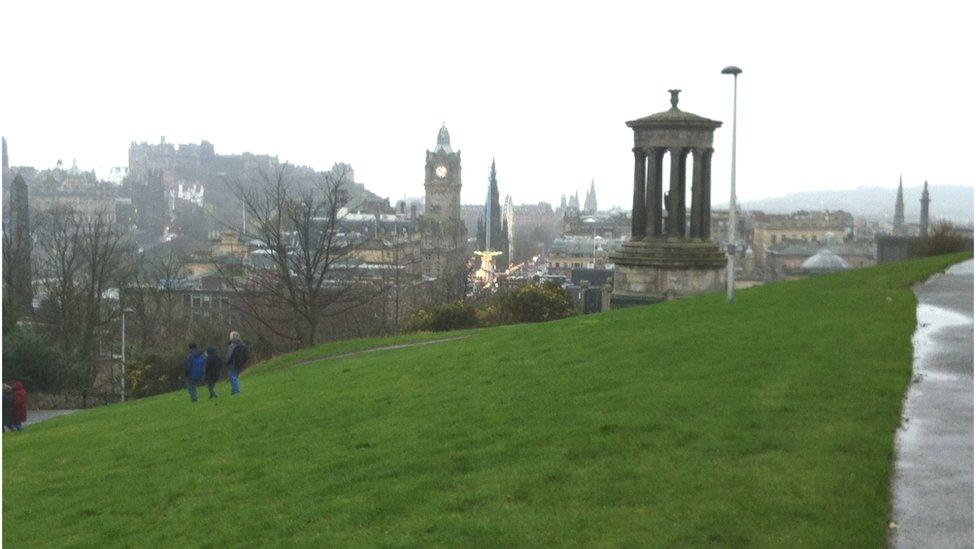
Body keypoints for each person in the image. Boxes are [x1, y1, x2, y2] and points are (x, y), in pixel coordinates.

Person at [225, 331, 248, 395]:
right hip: (239, 364)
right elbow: (246, 356)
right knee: (235, 377)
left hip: (232, 364)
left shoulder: (232, 345)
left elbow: (228, 356)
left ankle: (237, 392)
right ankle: (233, 391)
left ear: (232, 337)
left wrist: (226, 362)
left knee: (233, 378)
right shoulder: (243, 345)